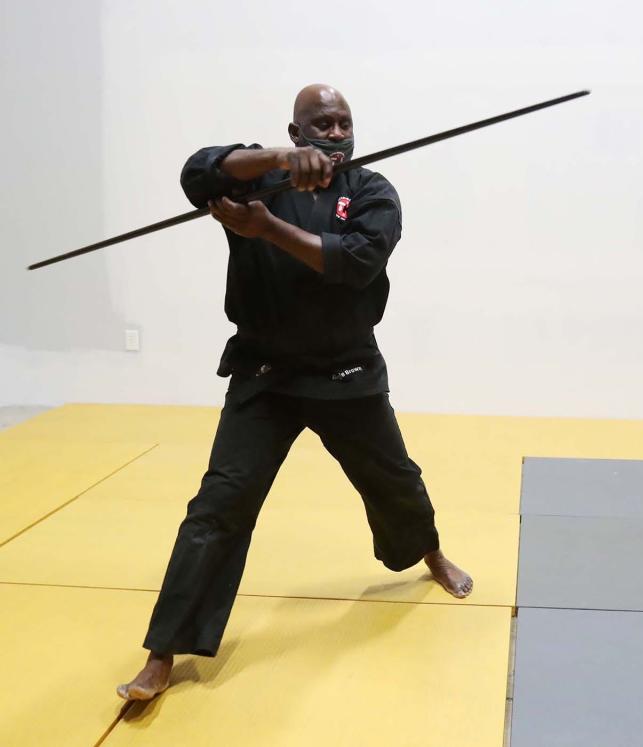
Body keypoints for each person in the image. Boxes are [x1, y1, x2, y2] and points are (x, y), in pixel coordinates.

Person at [117, 84, 473, 701]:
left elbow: (356, 263)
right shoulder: (258, 177)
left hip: (347, 371)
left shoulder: (370, 190)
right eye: (322, 124)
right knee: (218, 506)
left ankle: (429, 551)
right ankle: (163, 651)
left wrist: (266, 229)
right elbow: (198, 169)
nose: (336, 133)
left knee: (395, 482)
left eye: (344, 122)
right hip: (266, 375)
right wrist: (279, 161)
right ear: (296, 127)